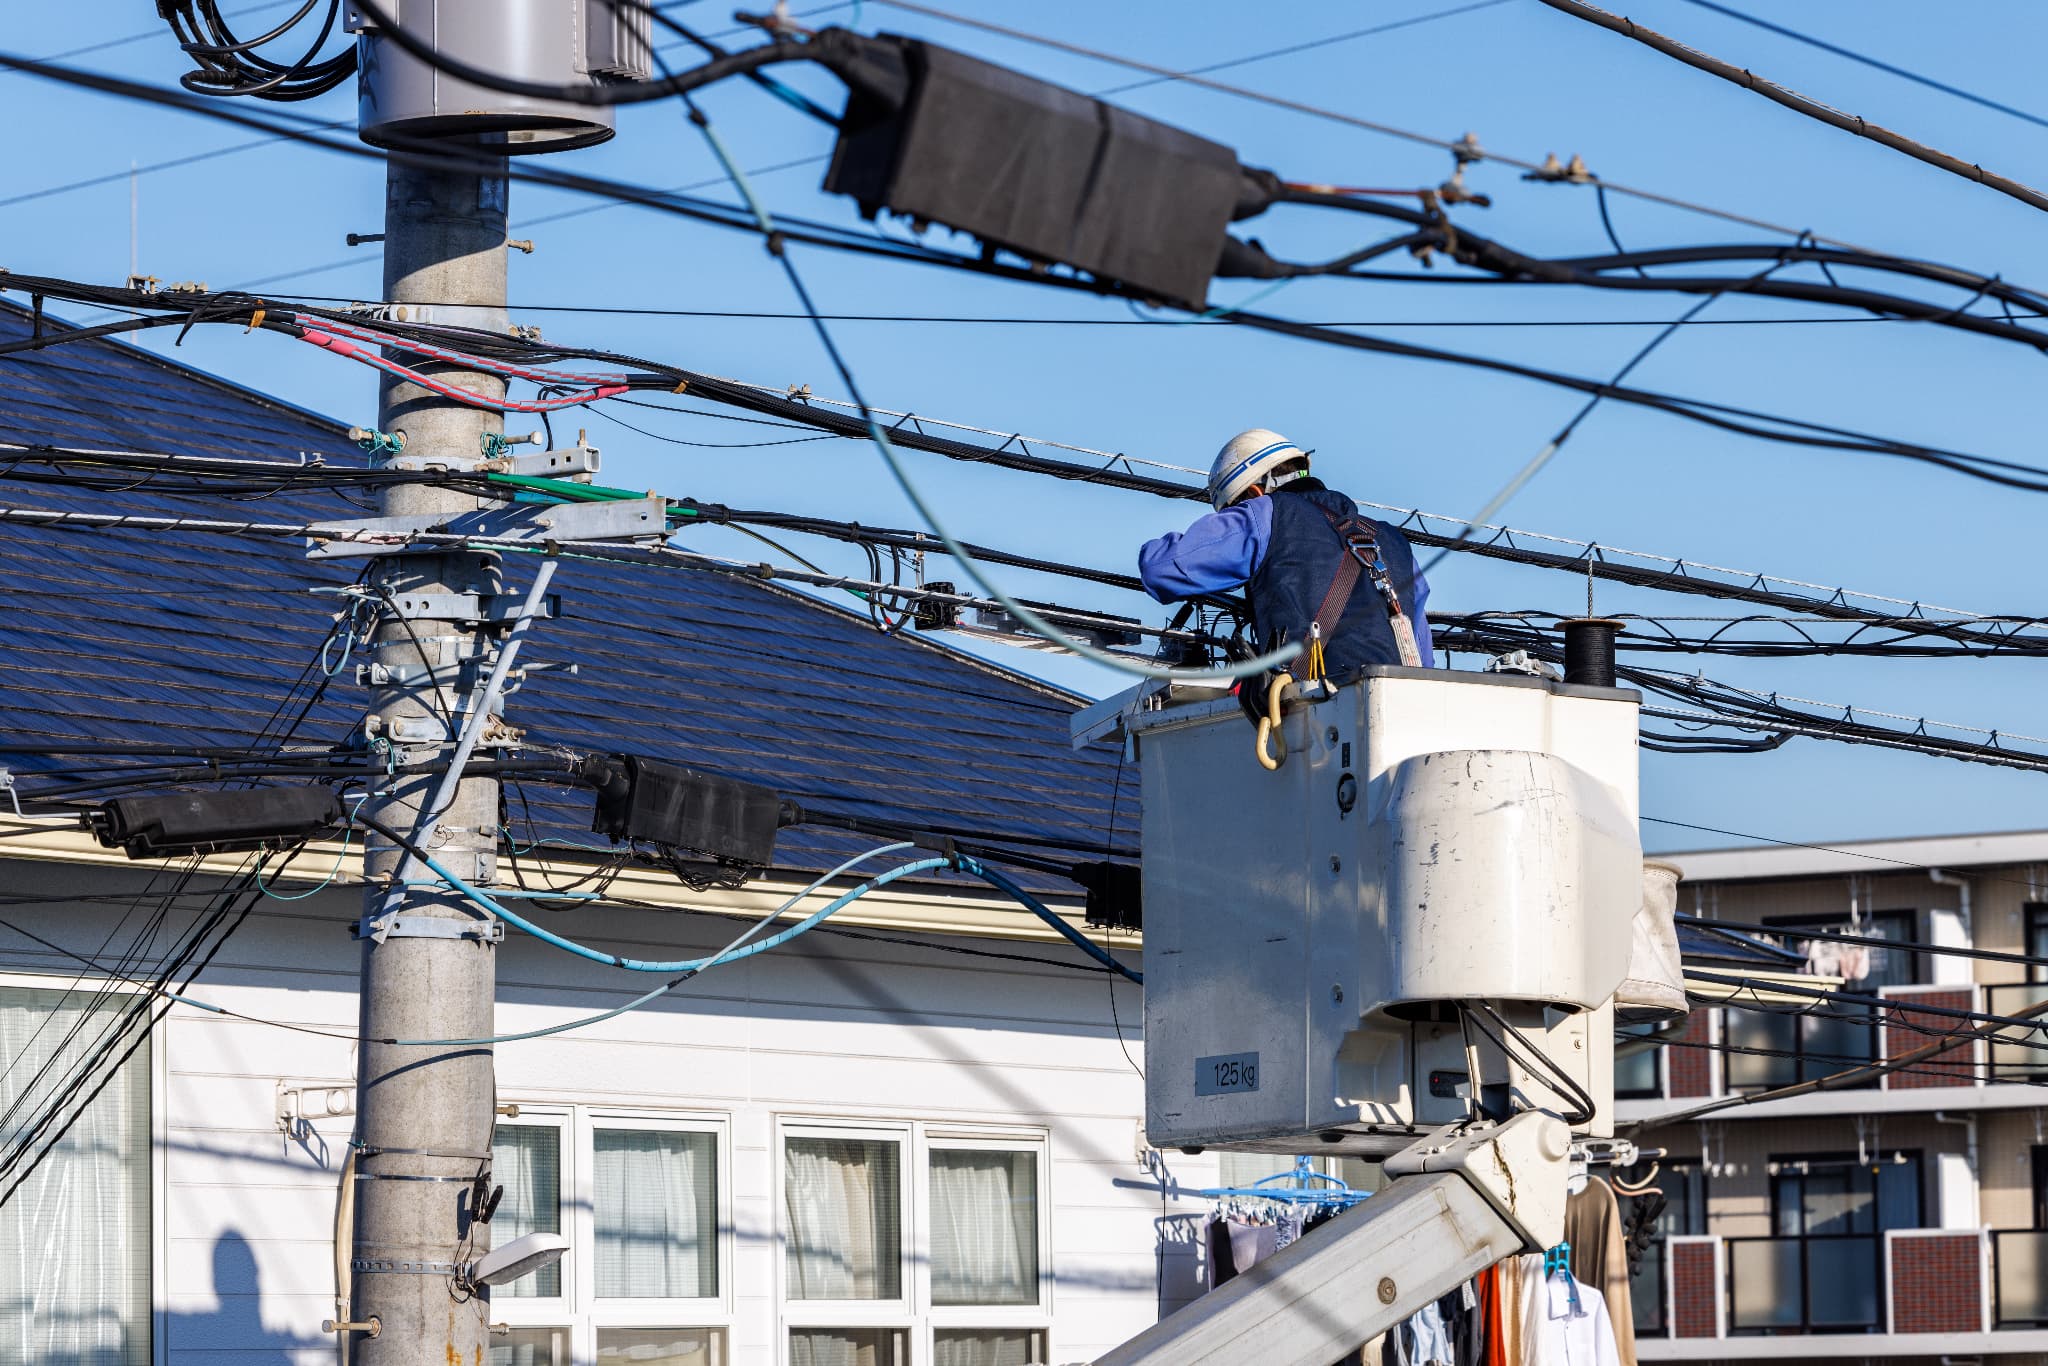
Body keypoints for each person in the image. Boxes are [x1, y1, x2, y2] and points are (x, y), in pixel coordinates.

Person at [1137, 428, 1433, 682]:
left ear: (1253, 492)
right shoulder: (1396, 543)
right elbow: (1423, 659)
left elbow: (1162, 568)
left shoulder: (1263, 514)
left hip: (1315, 716)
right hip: (1405, 716)